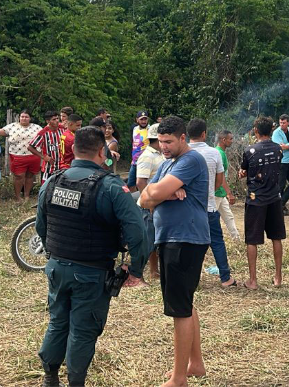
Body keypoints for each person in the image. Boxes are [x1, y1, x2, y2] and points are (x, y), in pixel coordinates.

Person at [36, 126, 148, 387]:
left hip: (56, 267)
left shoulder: (52, 181)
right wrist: (137, 268)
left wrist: (55, 253)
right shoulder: (111, 186)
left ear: (74, 150)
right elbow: (137, 233)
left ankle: (50, 378)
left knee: (58, 322)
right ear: (102, 151)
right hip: (91, 272)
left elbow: (42, 227)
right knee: (83, 331)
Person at [139, 116, 210, 387]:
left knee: (178, 309)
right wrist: (164, 193)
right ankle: (196, 364)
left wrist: (160, 193)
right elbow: (145, 197)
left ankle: (179, 378)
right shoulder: (168, 163)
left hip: (185, 239)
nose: (164, 147)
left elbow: (152, 193)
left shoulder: (191, 160)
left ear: (183, 138)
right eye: (160, 142)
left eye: (169, 141)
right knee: (185, 303)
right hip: (171, 238)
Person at [187, 118, 236, 289]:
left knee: (189, 244)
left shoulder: (182, 152)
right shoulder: (213, 153)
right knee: (216, 241)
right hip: (208, 206)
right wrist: (209, 192)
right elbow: (219, 180)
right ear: (204, 134)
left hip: (187, 209)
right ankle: (225, 278)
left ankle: (191, 280)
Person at [239, 116, 285, 290]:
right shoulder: (278, 149)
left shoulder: (250, 150)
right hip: (274, 197)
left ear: (256, 131)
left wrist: (243, 174)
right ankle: (278, 277)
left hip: (255, 199)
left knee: (252, 239)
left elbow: (245, 170)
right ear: (272, 130)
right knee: (276, 237)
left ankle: (253, 280)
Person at [0, 110, 43, 201]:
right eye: (22, 116)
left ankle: (27, 195)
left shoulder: (37, 127)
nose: (24, 118)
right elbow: (0, 131)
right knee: (19, 176)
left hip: (34, 156)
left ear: (30, 118)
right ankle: (18, 196)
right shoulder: (12, 126)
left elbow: (44, 137)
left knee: (30, 176)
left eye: (26, 117)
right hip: (17, 156)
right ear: (19, 117)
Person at [136, 122, 164, 280]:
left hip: (157, 203)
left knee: (155, 240)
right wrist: (150, 202)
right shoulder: (147, 156)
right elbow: (141, 182)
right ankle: (137, 274)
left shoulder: (159, 155)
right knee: (148, 241)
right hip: (149, 206)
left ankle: (154, 271)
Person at [271, 114, 289, 216]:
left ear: (288, 122)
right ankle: (279, 207)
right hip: (282, 161)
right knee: (281, 185)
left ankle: (280, 204)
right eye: (280, 122)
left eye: (284, 123)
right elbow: (280, 147)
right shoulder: (276, 133)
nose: (282, 124)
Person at [215, 130, 240, 241]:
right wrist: (229, 193)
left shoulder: (220, 152)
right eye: (230, 139)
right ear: (223, 140)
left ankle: (236, 239)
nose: (232, 141)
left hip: (220, 192)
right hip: (216, 192)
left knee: (228, 216)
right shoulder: (219, 153)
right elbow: (221, 177)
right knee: (209, 217)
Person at [28, 111, 65, 184]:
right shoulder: (43, 133)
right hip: (49, 168)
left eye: (57, 118)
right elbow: (30, 147)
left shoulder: (62, 129)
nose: (57, 121)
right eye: (54, 119)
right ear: (48, 121)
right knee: (46, 189)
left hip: (62, 167)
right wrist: (43, 157)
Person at [128, 110, 150, 189]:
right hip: (134, 162)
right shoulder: (134, 129)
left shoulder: (150, 130)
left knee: (142, 184)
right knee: (130, 184)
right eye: (141, 119)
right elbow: (134, 143)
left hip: (145, 161)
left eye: (145, 119)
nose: (144, 121)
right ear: (137, 119)